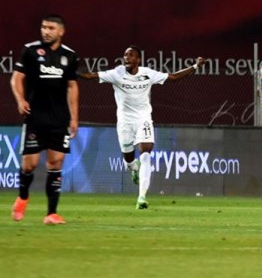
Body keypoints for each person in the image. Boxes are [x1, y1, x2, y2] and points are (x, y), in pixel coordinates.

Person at [80, 46, 205, 209]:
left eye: (130, 55)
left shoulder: (147, 73)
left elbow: (173, 77)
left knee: (146, 154)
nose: (126, 58)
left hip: (143, 120)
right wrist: (73, 72)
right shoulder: (117, 73)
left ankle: (142, 197)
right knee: (128, 160)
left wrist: (195, 66)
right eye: (125, 55)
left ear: (138, 60)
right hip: (125, 122)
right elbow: (91, 76)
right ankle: (133, 168)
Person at [10, 14, 79, 225]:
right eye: (43, 27)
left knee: (56, 163)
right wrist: (21, 100)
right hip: (35, 117)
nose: (45, 31)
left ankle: (51, 213)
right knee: (29, 165)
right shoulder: (30, 51)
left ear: (61, 31)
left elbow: (72, 86)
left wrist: (74, 117)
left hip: (59, 119)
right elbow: (16, 79)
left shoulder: (69, 55)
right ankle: (23, 197)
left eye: (50, 28)